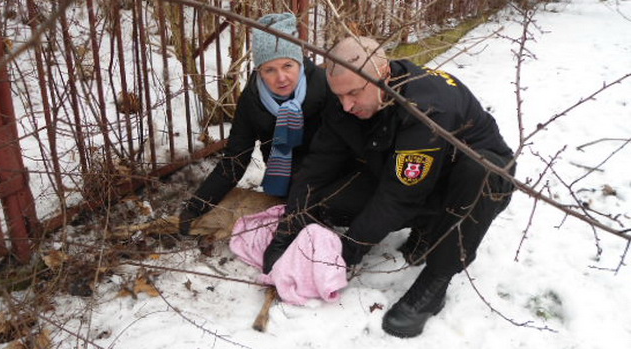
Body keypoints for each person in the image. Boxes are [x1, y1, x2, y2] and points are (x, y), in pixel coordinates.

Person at [262, 36, 516, 338]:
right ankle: (426, 227)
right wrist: (288, 228)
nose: (346, 105)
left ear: (383, 74)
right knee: (327, 202)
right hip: (399, 173)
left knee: (480, 171)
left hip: (467, 183)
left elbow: (399, 196)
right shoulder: (346, 93)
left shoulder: (428, 108)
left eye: (354, 94)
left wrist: (347, 253)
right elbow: (320, 163)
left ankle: (436, 280)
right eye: (340, 95)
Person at [178, 13, 334, 236]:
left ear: (299, 62)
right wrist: (196, 207)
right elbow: (235, 159)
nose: (281, 78)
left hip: (326, 173)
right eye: (270, 69)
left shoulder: (323, 85)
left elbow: (341, 145)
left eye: (288, 66)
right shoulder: (252, 99)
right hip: (284, 180)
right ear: (259, 70)